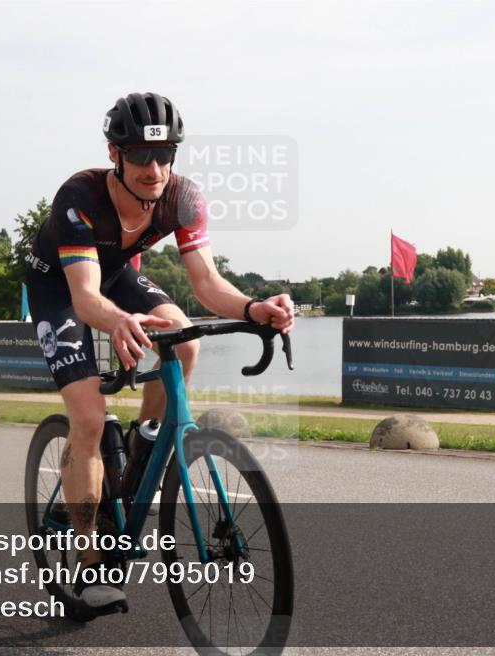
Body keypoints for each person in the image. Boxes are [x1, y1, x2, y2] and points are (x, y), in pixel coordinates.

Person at [25, 92, 294, 612]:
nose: (155, 168)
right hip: (60, 286)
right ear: (114, 154)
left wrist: (255, 308)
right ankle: (90, 561)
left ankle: (145, 444)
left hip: (119, 275)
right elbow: (84, 297)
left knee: (185, 335)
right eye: (142, 156)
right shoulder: (79, 196)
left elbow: (209, 284)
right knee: (87, 416)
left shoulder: (183, 198)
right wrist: (117, 319)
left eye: (166, 154)